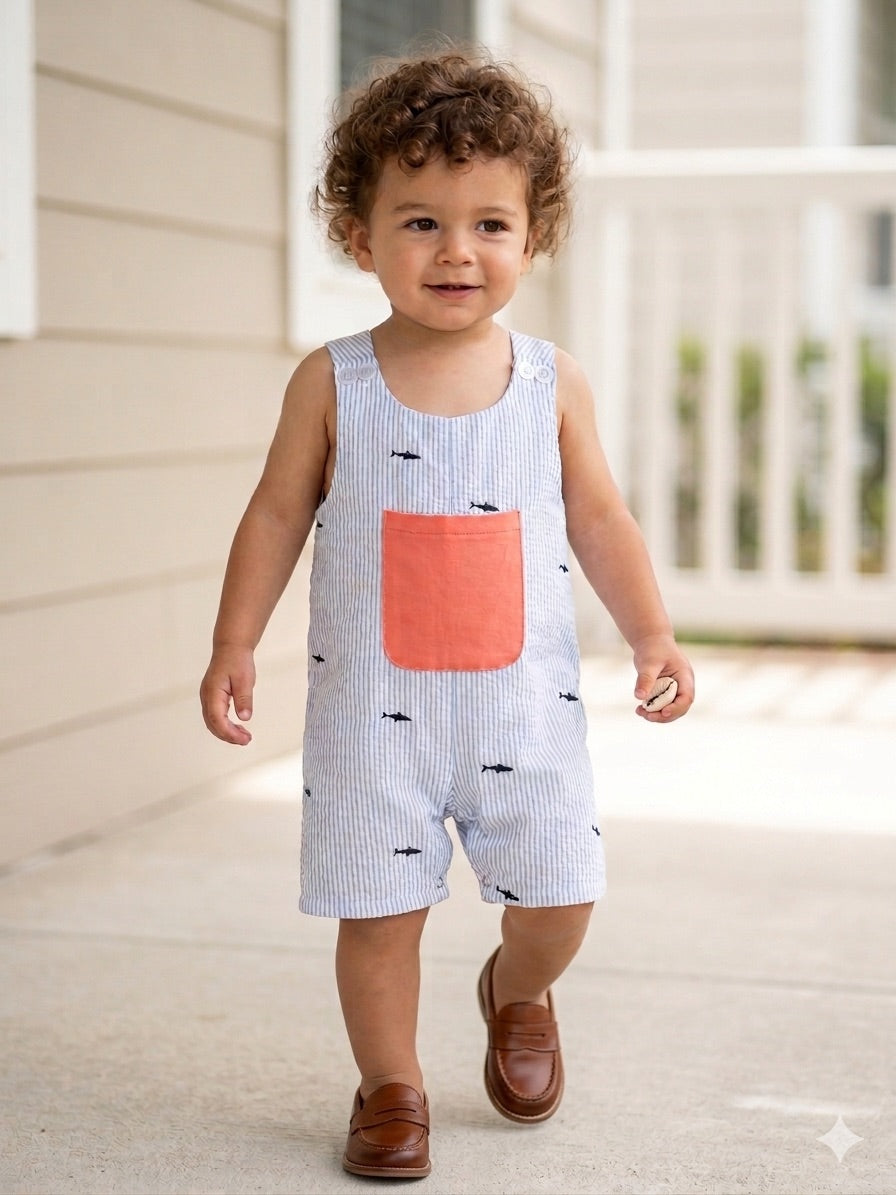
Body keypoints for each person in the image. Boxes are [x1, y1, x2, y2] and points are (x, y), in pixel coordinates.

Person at [200, 47, 694, 1180]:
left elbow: (601, 519)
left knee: (561, 894)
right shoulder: (335, 382)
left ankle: (514, 991)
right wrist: (234, 642)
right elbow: (275, 516)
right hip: (376, 719)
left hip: (524, 712)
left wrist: (653, 632)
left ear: (533, 237)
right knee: (377, 915)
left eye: (489, 224)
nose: (456, 250)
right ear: (358, 236)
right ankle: (391, 1086)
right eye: (418, 221)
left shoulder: (546, 381)